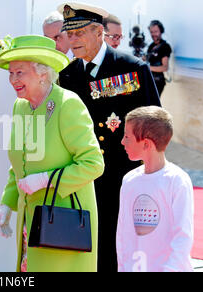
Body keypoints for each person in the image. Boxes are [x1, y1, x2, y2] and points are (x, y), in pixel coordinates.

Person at [57, 2, 161, 272]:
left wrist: (152, 174)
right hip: (83, 176)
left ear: (98, 32)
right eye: (69, 34)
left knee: (120, 248)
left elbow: (155, 123)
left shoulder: (132, 67)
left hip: (122, 174)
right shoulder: (67, 76)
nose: (73, 40)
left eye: (79, 33)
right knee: (86, 247)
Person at [0, 35, 104, 272]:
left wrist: (47, 180)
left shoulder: (67, 104)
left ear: (43, 73)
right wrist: (7, 202)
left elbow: (94, 163)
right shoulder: (20, 106)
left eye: (19, 73)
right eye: (10, 73)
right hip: (30, 223)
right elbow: (20, 163)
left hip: (63, 224)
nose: (13, 80)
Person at [118, 106, 194, 272]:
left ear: (146, 144)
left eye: (127, 136)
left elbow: (183, 236)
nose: (122, 142)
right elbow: (123, 235)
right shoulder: (129, 180)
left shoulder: (177, 181)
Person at [146, 20, 172, 96]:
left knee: (151, 106)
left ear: (161, 31)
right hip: (148, 79)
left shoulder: (165, 46)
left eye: (156, 31)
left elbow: (165, 67)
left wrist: (147, 67)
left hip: (158, 81)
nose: (153, 34)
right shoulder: (151, 46)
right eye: (151, 32)